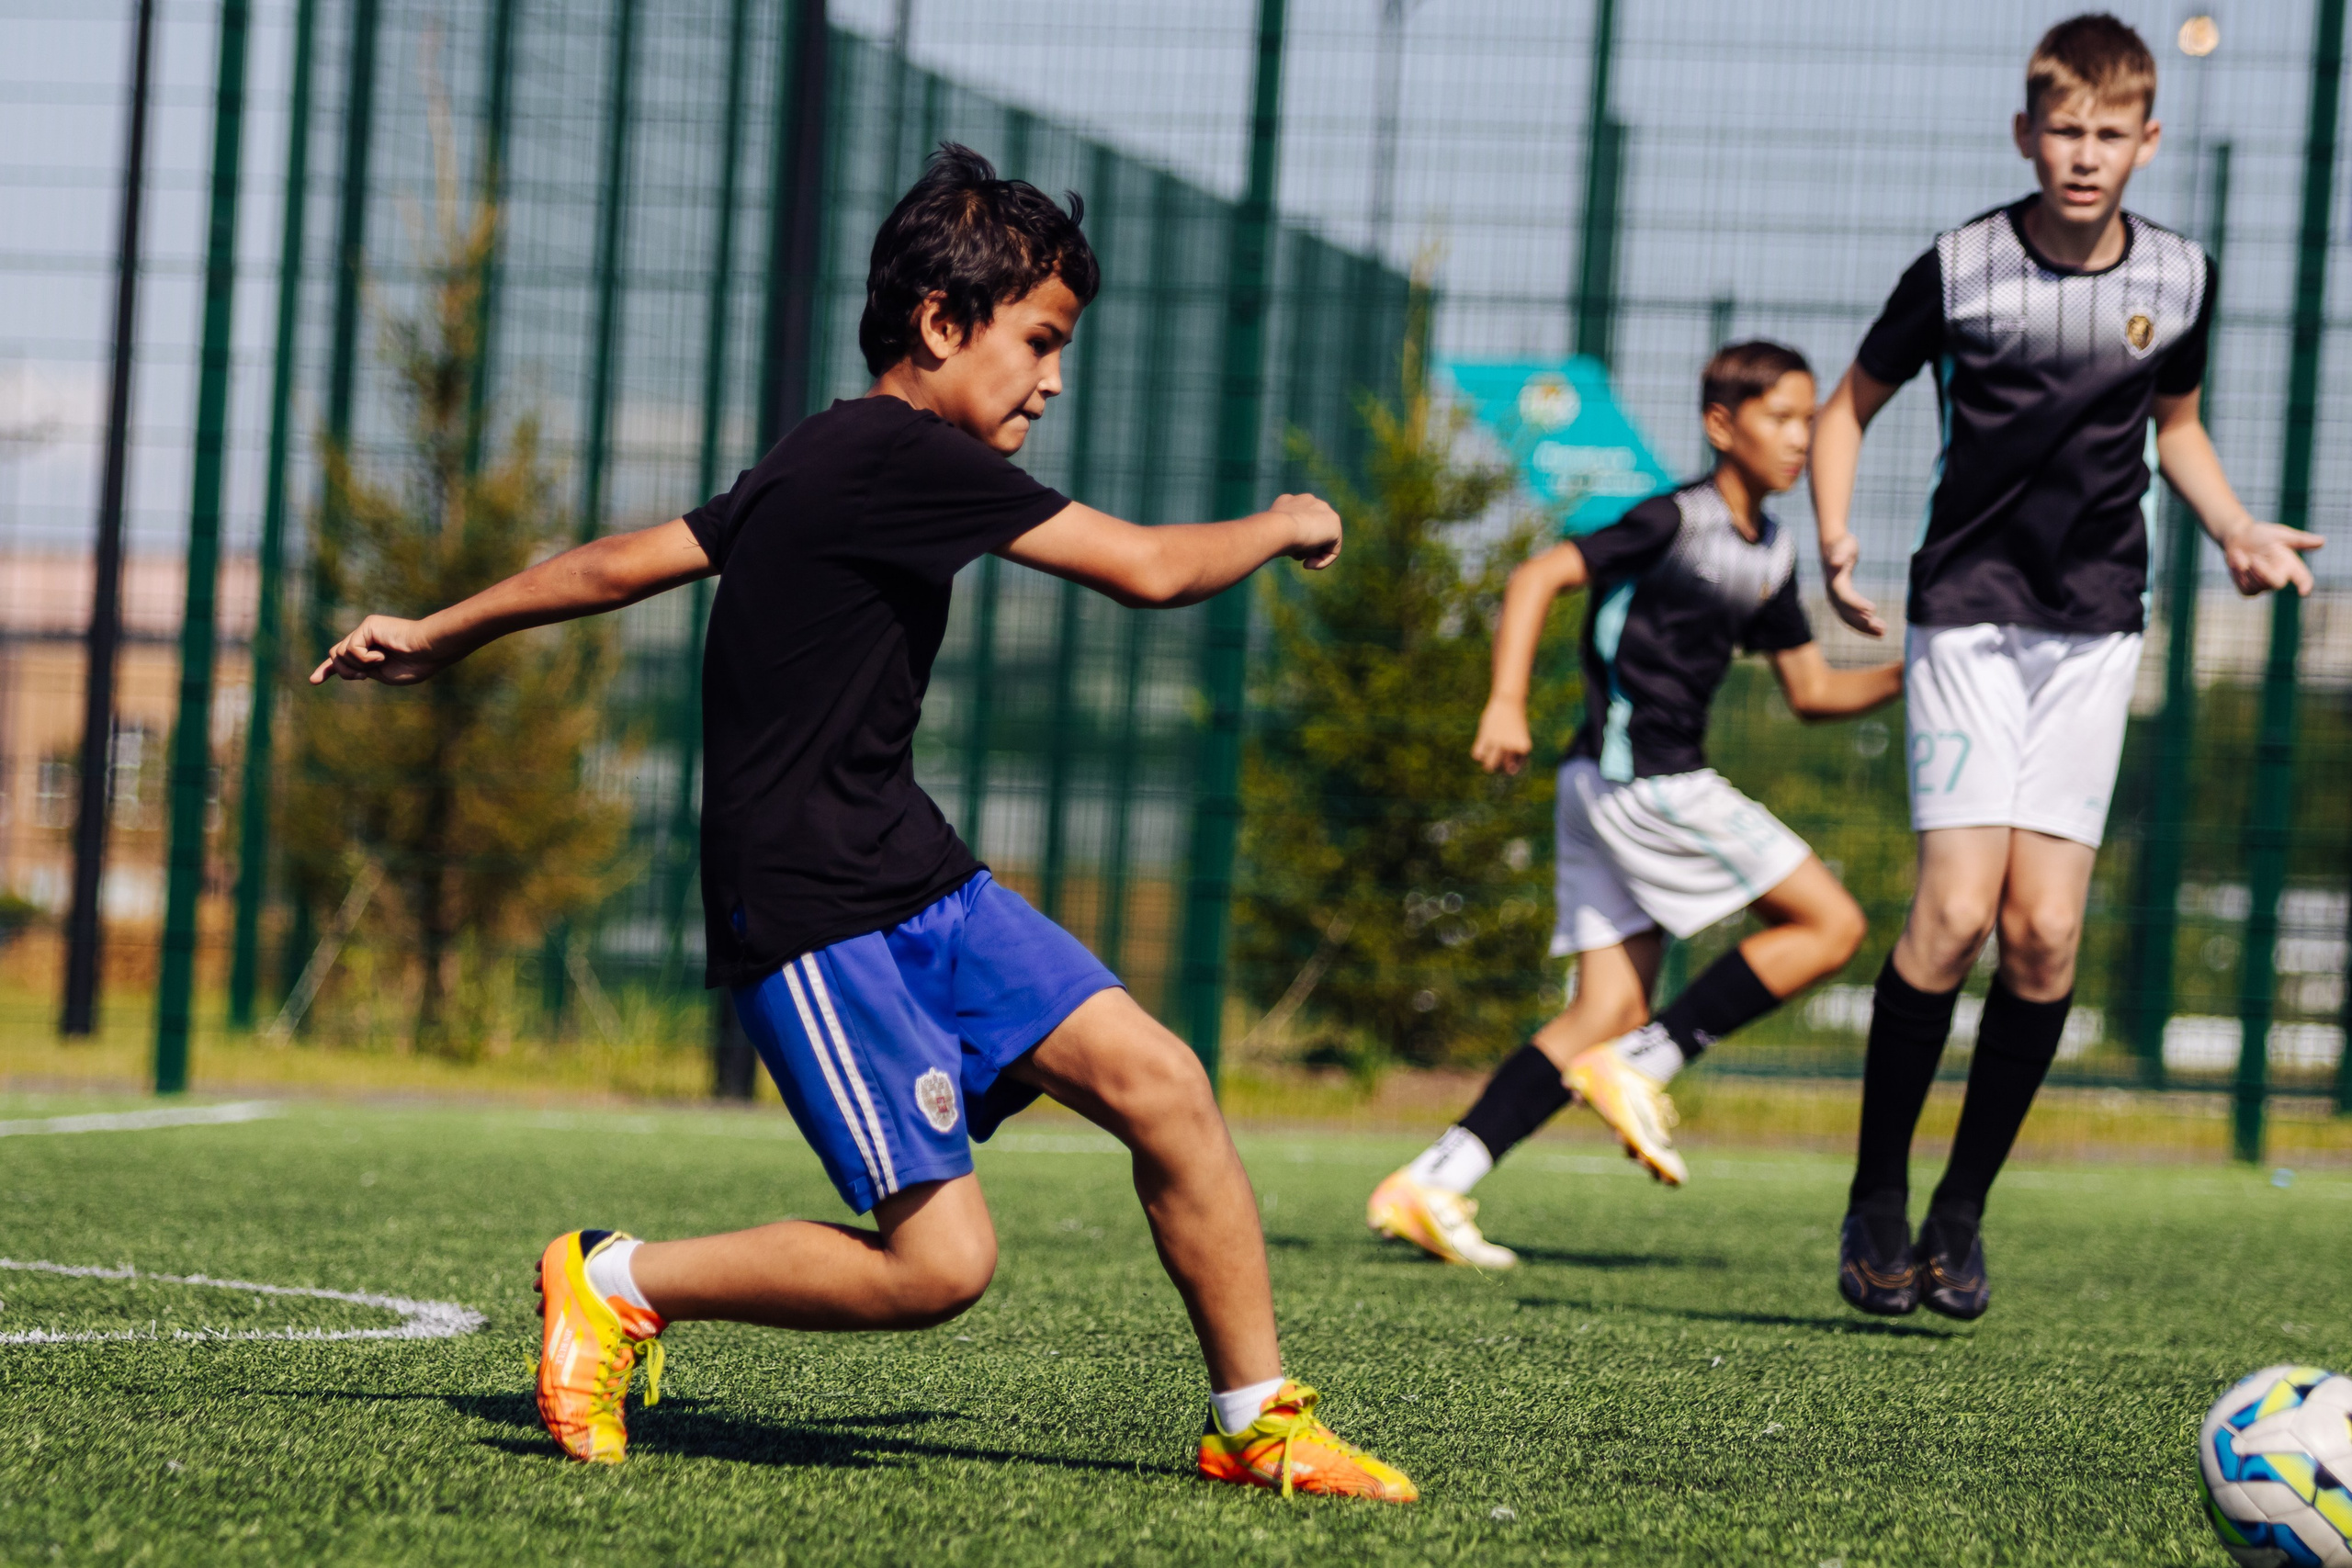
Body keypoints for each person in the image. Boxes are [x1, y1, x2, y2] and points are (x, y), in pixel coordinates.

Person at [313, 146, 1414, 1501]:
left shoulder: (825, 450)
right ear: (943, 326)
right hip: (814, 905)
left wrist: (439, 626)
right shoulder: (902, 451)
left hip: (916, 873)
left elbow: (618, 563)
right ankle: (614, 1281)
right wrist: (1290, 518)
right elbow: (1147, 569)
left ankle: (1258, 1420)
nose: (1054, 378)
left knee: (1165, 1085)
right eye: (1040, 342)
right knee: (939, 1264)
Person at [1808, 15, 2320, 1320]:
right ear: (2025, 131)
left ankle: (1958, 1211)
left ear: (2147, 140)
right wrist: (1832, 534)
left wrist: (2239, 526)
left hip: (2094, 627)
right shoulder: (1963, 266)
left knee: (2043, 934)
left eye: (2109, 134)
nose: (2083, 156)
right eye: (2063, 131)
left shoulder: (2184, 277)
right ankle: (1876, 1195)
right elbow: (1847, 403)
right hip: (1968, 616)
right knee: (1956, 914)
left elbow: (2180, 429)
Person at [1368, 342, 1902, 1269]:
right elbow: (1538, 576)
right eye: (1780, 417)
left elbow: (1813, 691)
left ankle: (1433, 1180)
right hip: (1646, 781)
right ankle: (1649, 1061)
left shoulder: (1771, 551)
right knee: (1830, 924)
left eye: (1810, 420)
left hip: (1599, 786)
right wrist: (1502, 701)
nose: (1800, 438)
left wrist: (1916, 671)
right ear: (1720, 425)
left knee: (1603, 1007)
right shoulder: (1669, 520)